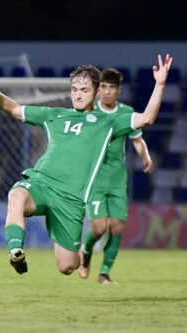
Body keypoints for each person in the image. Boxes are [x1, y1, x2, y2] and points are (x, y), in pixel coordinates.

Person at [0, 54, 171, 276]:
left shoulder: (109, 122)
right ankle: (16, 250)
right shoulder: (55, 115)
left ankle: (82, 254)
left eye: (84, 90)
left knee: (67, 266)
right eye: (74, 89)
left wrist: (160, 84)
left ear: (95, 93)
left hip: (71, 200)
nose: (77, 94)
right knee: (16, 195)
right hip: (42, 183)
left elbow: (147, 118)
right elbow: (15, 110)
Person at [79, 68, 154, 284]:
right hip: (95, 178)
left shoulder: (126, 112)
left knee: (117, 226)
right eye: (103, 87)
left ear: (118, 90)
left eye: (112, 87)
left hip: (117, 178)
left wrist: (145, 157)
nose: (107, 91)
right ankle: (86, 250)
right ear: (98, 89)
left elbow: (137, 139)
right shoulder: (89, 111)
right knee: (99, 227)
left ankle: (104, 273)